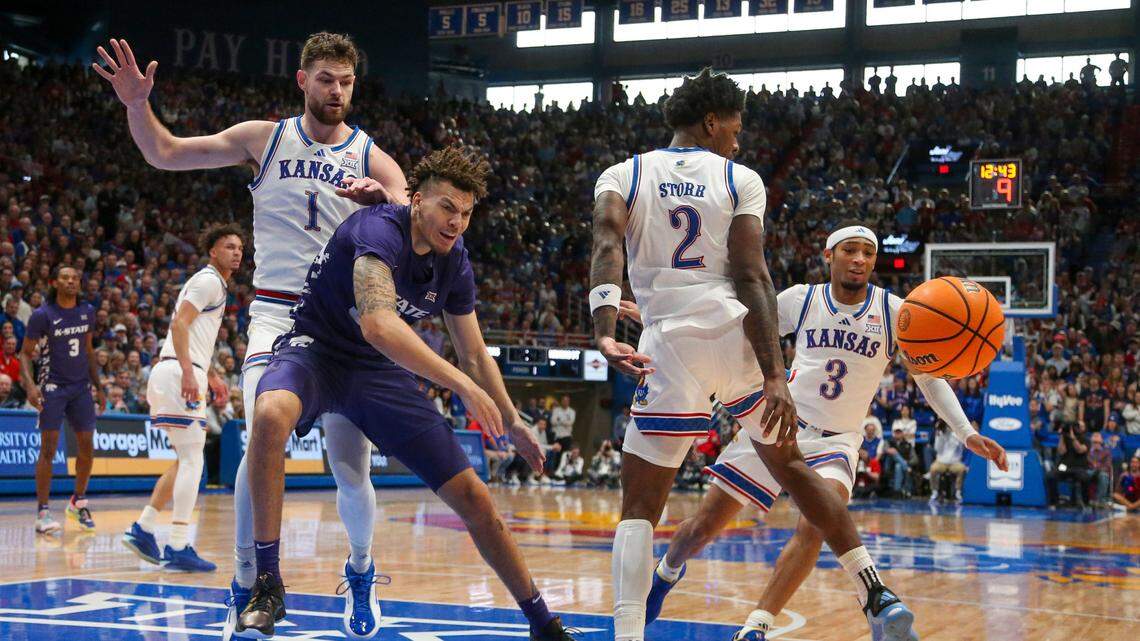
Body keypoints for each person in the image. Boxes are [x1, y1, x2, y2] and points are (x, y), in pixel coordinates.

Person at [93, 32, 408, 640]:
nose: (336, 90)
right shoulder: (264, 138)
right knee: (258, 449)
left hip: (344, 325)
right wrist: (137, 104)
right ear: (302, 80)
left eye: (346, 81)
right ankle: (245, 587)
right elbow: (164, 152)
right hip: (276, 316)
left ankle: (362, 570)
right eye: (325, 79)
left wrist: (388, 202)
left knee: (351, 471)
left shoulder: (371, 155)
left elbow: (407, 203)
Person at [591, 68, 918, 641]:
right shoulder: (740, 178)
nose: (737, 141)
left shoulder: (624, 173)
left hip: (666, 344)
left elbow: (606, 240)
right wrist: (773, 374)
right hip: (730, 338)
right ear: (712, 122)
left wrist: (601, 327)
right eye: (735, 129)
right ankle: (873, 587)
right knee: (791, 465)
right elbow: (750, 274)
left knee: (639, 507)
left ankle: (627, 632)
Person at [234, 147, 576, 641]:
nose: (456, 222)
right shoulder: (377, 228)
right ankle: (268, 582)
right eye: (446, 207)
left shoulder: (455, 261)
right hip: (318, 352)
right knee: (268, 413)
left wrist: (512, 416)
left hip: (375, 374)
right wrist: (461, 387)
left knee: (474, 496)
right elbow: (377, 324)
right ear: (416, 201)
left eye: (466, 213)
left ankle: (542, 623)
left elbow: (475, 354)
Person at [628, 219, 1007, 640]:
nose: (859, 259)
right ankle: (666, 572)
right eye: (850, 250)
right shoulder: (801, 300)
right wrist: (662, 319)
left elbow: (929, 377)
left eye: (867, 252)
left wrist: (964, 431)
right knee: (701, 529)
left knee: (819, 521)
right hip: (778, 427)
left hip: (839, 441)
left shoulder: (896, 312)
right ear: (828, 256)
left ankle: (756, 627)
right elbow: (733, 325)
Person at [121, 225, 243, 571]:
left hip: (175, 370)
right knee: (193, 460)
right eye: (229, 246)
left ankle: (143, 528)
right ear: (213, 251)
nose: (236, 252)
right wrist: (192, 373)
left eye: (239, 248)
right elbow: (178, 325)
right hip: (178, 372)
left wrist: (213, 374)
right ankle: (177, 544)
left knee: (184, 459)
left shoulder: (212, 283)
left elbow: (195, 334)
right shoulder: (208, 281)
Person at [20, 266, 105, 534]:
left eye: (75, 278)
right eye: (66, 278)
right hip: (52, 387)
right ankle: (43, 512)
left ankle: (78, 502)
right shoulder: (42, 315)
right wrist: (31, 387)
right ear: (55, 282)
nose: (71, 281)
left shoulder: (87, 312)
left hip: (80, 388)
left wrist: (99, 386)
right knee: (49, 449)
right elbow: (24, 354)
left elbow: (89, 351)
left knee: (87, 447)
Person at [928, 421, 967, 502]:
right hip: (941, 462)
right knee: (933, 469)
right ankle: (934, 491)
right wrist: (939, 436)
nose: (948, 428)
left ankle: (958, 492)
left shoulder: (957, 434)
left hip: (954, 462)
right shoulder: (940, 434)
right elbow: (937, 449)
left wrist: (953, 435)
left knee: (962, 469)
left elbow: (960, 447)